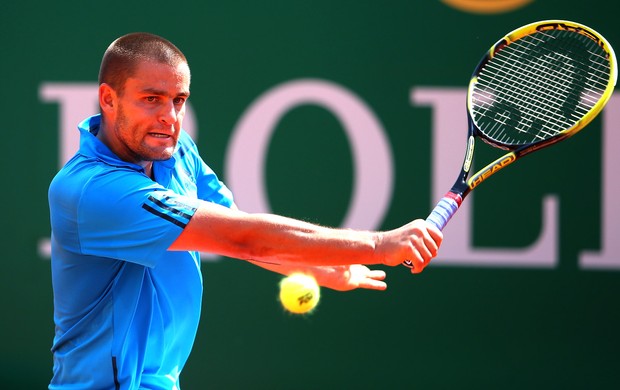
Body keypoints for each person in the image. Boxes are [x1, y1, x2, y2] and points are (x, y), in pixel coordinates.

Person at [47, 32, 443, 389]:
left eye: (179, 100)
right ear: (108, 98)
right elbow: (246, 240)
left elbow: (236, 226)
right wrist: (377, 244)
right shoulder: (91, 191)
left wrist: (323, 268)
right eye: (151, 99)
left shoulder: (177, 150)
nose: (169, 116)